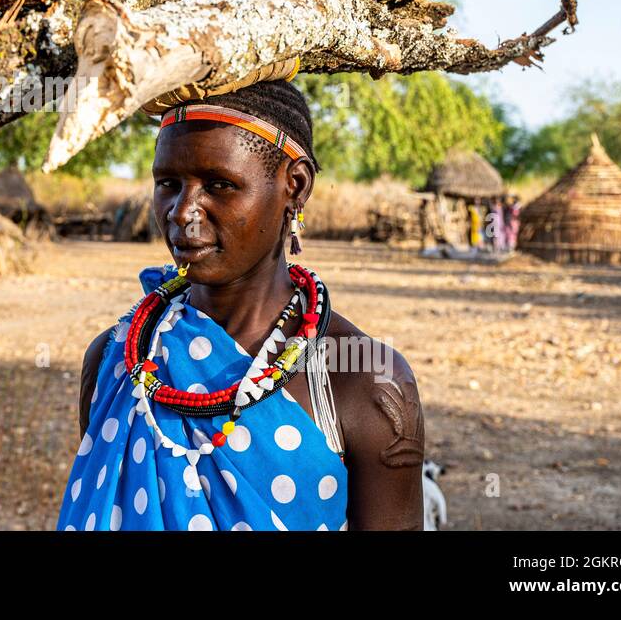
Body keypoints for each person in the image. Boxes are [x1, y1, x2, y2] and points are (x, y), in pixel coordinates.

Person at [57, 80, 424, 531]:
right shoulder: (117, 362)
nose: (182, 211)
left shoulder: (364, 383)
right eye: (168, 183)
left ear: (296, 185)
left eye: (219, 184)